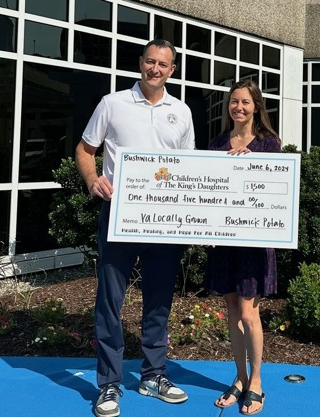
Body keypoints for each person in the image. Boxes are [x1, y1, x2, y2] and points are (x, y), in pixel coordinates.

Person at [75, 39, 195, 417]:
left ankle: (153, 375)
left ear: (172, 70)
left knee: (159, 299)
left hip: (166, 221)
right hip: (120, 216)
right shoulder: (112, 103)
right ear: (140, 63)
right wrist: (93, 180)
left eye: (163, 64)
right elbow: (85, 150)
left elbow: (189, 169)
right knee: (109, 301)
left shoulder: (182, 111)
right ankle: (109, 383)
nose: (155, 69)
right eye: (150, 61)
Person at [206, 79, 281, 416]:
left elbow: (276, 190)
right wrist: (204, 226)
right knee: (233, 311)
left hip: (253, 243)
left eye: (245, 102)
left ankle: (257, 381)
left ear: (256, 107)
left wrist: (254, 165)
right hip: (224, 243)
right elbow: (207, 189)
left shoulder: (269, 144)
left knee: (250, 314)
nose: (239, 107)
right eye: (234, 101)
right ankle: (240, 377)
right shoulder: (217, 143)